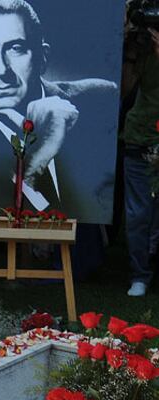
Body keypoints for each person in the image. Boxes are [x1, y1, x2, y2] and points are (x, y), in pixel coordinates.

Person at [0, 0, 118, 223]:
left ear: (42, 57)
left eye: (16, 48)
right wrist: (38, 157)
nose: (1, 69)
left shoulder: (100, 101)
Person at [123, 7, 159, 297]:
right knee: (138, 213)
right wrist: (132, 45)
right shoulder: (140, 49)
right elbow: (124, 88)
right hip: (139, 138)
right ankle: (140, 274)